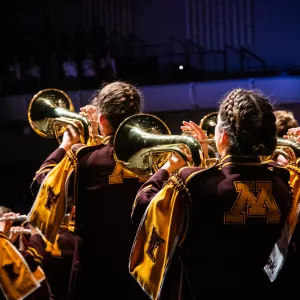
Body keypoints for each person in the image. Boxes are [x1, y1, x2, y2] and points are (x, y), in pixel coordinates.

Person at [130, 88, 295, 299]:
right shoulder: (281, 182)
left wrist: (167, 168)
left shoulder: (191, 182)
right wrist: (207, 156)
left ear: (224, 136)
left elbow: (142, 207)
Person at [31, 81, 149, 300]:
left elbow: (42, 183)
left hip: (94, 278)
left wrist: (66, 145)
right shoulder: (157, 161)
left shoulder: (83, 158)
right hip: (141, 277)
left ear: (102, 120)